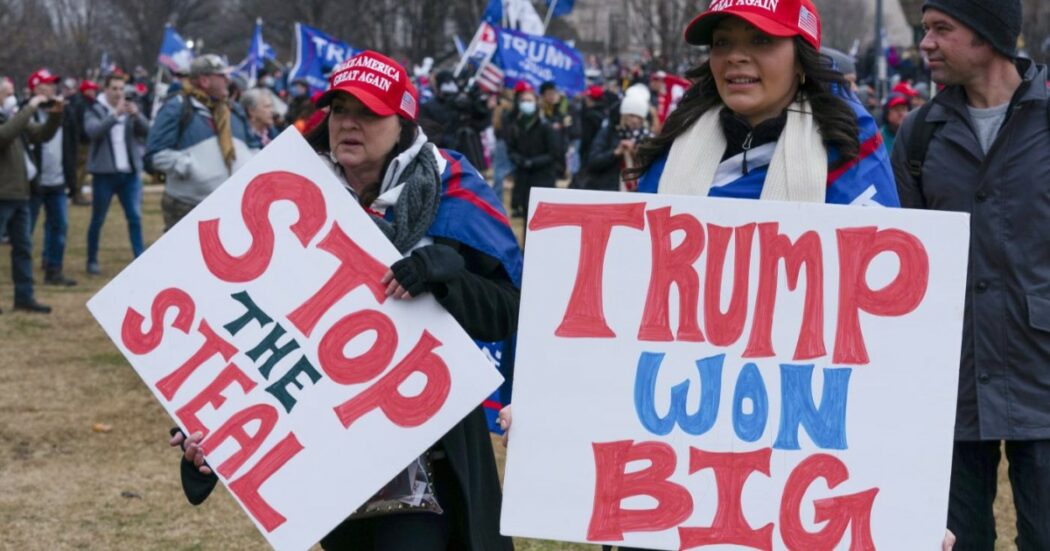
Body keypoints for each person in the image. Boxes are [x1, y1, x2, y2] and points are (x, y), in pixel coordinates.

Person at [170, 50, 521, 551]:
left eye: (368, 113)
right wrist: (202, 418)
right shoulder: (284, 194)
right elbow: (238, 322)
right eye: (339, 110)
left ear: (401, 121)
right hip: (329, 452)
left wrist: (446, 276)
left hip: (432, 456)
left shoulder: (454, 193)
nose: (349, 125)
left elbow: (507, 310)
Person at [891, 1, 1050, 549]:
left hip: (1043, 376)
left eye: (942, 29)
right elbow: (901, 261)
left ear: (989, 36)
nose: (926, 43)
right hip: (950, 384)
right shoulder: (918, 135)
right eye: (925, 29)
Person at [629, 0, 899, 207]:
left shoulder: (848, 140)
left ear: (801, 58)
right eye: (722, 42)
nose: (734, 56)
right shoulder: (678, 138)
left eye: (760, 39)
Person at [145, 54, 257, 231]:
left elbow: (253, 145)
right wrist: (189, 166)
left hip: (232, 204)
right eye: (221, 76)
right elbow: (154, 154)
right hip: (188, 205)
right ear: (205, 80)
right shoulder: (176, 106)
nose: (228, 80)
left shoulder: (233, 109)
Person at [83, 71, 150, 275]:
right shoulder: (95, 109)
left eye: (121, 89)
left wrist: (136, 115)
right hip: (104, 174)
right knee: (98, 219)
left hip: (128, 174)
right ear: (106, 89)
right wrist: (114, 116)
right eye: (114, 88)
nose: (118, 93)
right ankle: (92, 259)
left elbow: (147, 131)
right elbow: (93, 132)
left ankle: (140, 258)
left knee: (135, 217)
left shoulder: (129, 108)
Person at [0, 90, 61, 313]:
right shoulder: (13, 119)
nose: (11, 96)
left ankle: (24, 297)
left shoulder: (13, 116)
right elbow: (4, 136)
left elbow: (41, 134)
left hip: (20, 195)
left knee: (23, 249)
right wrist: (30, 107)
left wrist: (55, 115)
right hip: (3, 195)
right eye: (6, 93)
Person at [25, 68, 78, 286]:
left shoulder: (63, 112)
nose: (52, 88)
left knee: (60, 226)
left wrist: (71, 180)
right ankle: (24, 273)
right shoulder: (26, 112)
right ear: (36, 88)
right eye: (47, 84)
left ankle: (54, 269)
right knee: (26, 229)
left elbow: (72, 145)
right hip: (34, 183)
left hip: (57, 181)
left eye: (53, 84)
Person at [506, 85, 562, 219]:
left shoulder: (546, 126)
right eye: (523, 101)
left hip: (543, 178)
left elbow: (555, 153)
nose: (526, 104)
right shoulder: (516, 126)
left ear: (536, 102)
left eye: (529, 100)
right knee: (527, 217)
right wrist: (518, 159)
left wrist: (532, 162)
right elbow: (511, 148)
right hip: (524, 179)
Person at [582, 88, 651, 192]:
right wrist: (615, 152)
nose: (635, 120)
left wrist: (637, 153)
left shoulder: (647, 137)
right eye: (631, 115)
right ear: (624, 116)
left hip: (636, 192)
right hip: (608, 190)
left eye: (639, 117)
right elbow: (593, 162)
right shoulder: (609, 132)